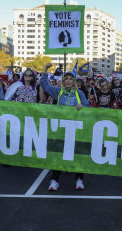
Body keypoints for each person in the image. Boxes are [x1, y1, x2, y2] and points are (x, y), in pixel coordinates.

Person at [40, 63, 89, 191]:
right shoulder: (58, 91)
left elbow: (88, 108)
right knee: (58, 153)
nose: (68, 81)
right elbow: (44, 84)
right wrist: (46, 69)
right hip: (61, 129)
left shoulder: (80, 94)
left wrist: (82, 107)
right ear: (63, 81)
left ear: (74, 82)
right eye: (66, 79)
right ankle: (54, 180)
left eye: (71, 79)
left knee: (77, 153)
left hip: (76, 129)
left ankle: (79, 179)